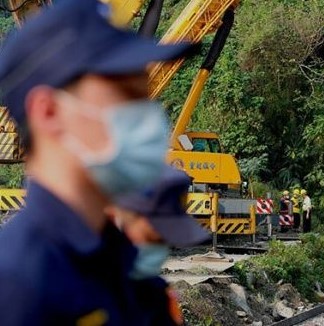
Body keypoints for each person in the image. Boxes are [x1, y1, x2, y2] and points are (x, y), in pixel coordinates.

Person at [0, 0, 196, 324]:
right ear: (48, 112)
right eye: (127, 95)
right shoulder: (17, 286)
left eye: (145, 97)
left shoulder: (129, 273)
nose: (149, 117)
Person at [109, 166, 210, 326]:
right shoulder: (70, 283)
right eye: (152, 238)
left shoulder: (158, 295)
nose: (159, 249)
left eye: (166, 240)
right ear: (118, 216)